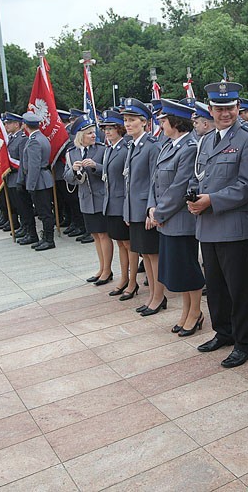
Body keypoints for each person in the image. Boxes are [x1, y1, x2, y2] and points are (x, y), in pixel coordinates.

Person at [189, 81, 248, 368]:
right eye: (219, 109)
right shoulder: (206, 140)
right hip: (207, 226)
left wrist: (211, 200)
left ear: (238, 108)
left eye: (230, 108)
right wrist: (193, 198)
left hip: (234, 227)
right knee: (216, 287)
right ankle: (224, 332)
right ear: (210, 110)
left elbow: (247, 186)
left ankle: (246, 343)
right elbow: (198, 176)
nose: (225, 113)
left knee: (239, 290)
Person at [149, 99, 205, 335]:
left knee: (188, 270)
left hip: (180, 220)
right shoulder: (169, 146)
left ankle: (195, 312)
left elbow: (179, 187)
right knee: (178, 272)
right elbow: (156, 181)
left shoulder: (189, 148)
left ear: (175, 122)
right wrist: (152, 208)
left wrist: (159, 213)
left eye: (164, 120)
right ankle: (186, 311)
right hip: (166, 219)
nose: (161, 125)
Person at [122, 98, 164, 314]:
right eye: (126, 120)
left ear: (145, 123)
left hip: (146, 210)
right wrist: (127, 211)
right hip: (135, 210)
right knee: (145, 255)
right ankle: (151, 297)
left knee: (153, 255)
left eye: (132, 120)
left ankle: (159, 297)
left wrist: (151, 209)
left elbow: (154, 181)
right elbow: (129, 182)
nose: (128, 124)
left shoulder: (151, 147)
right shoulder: (133, 145)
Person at [65, 116, 113, 284]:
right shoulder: (72, 153)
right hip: (85, 200)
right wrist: (74, 170)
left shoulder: (101, 149)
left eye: (94, 132)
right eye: (90, 133)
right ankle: (101, 268)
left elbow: (109, 171)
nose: (94, 135)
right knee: (95, 235)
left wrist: (95, 166)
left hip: (101, 198)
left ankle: (108, 270)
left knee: (104, 234)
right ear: (81, 136)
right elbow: (67, 177)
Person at [101, 110, 136, 299]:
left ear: (119, 129)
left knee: (128, 244)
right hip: (111, 204)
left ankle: (132, 282)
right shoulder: (110, 148)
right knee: (121, 243)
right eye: (105, 128)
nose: (107, 131)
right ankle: (123, 278)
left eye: (111, 128)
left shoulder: (125, 149)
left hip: (122, 203)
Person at [20, 112, 56, 251]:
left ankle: (49, 239)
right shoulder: (41, 137)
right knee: (44, 211)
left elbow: (34, 166)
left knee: (44, 212)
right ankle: (46, 238)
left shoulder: (34, 140)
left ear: (25, 125)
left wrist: (30, 185)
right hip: (43, 178)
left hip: (39, 180)